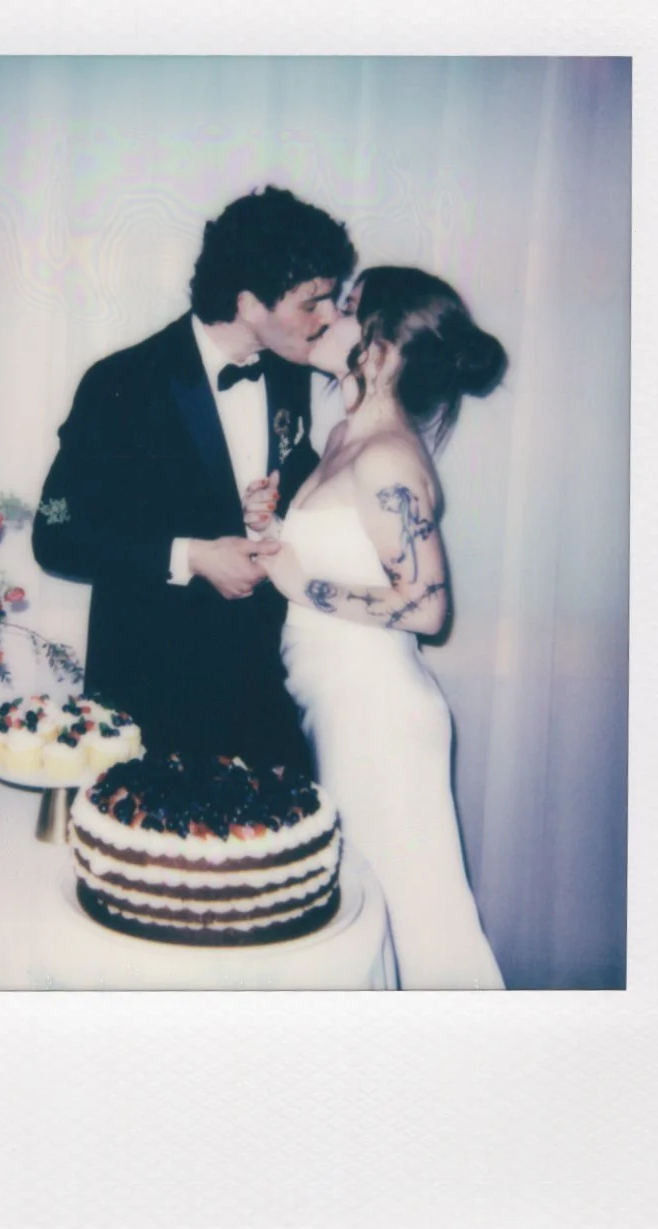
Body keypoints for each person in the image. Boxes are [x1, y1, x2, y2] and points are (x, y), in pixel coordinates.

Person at [32, 187, 356, 772]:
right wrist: (193, 557)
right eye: (314, 301)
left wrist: (285, 500)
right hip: (152, 692)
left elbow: (288, 466)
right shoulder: (122, 381)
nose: (331, 316)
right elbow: (57, 536)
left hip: (262, 686)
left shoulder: (287, 372)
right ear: (249, 302)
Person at [256, 266, 507, 989]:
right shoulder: (343, 434)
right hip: (339, 703)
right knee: (371, 925)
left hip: (379, 715)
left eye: (347, 309)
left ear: (384, 348)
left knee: (420, 930)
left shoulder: (388, 454)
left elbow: (428, 605)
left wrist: (304, 582)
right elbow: (342, 556)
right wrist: (273, 533)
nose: (327, 316)